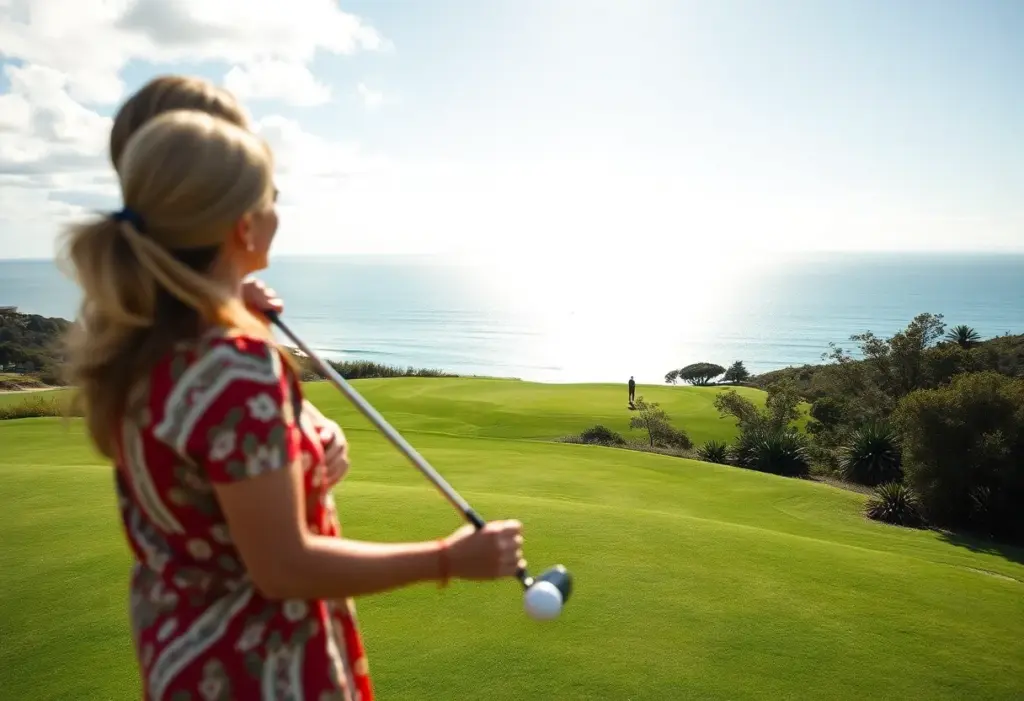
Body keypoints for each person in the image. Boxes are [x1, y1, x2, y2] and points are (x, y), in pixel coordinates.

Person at [58, 109, 525, 700]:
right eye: (270, 198)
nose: (279, 211)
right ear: (243, 228)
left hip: (184, 650)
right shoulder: (234, 367)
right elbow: (283, 567)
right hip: (259, 668)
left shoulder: (141, 338)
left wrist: (232, 306)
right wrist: (447, 560)